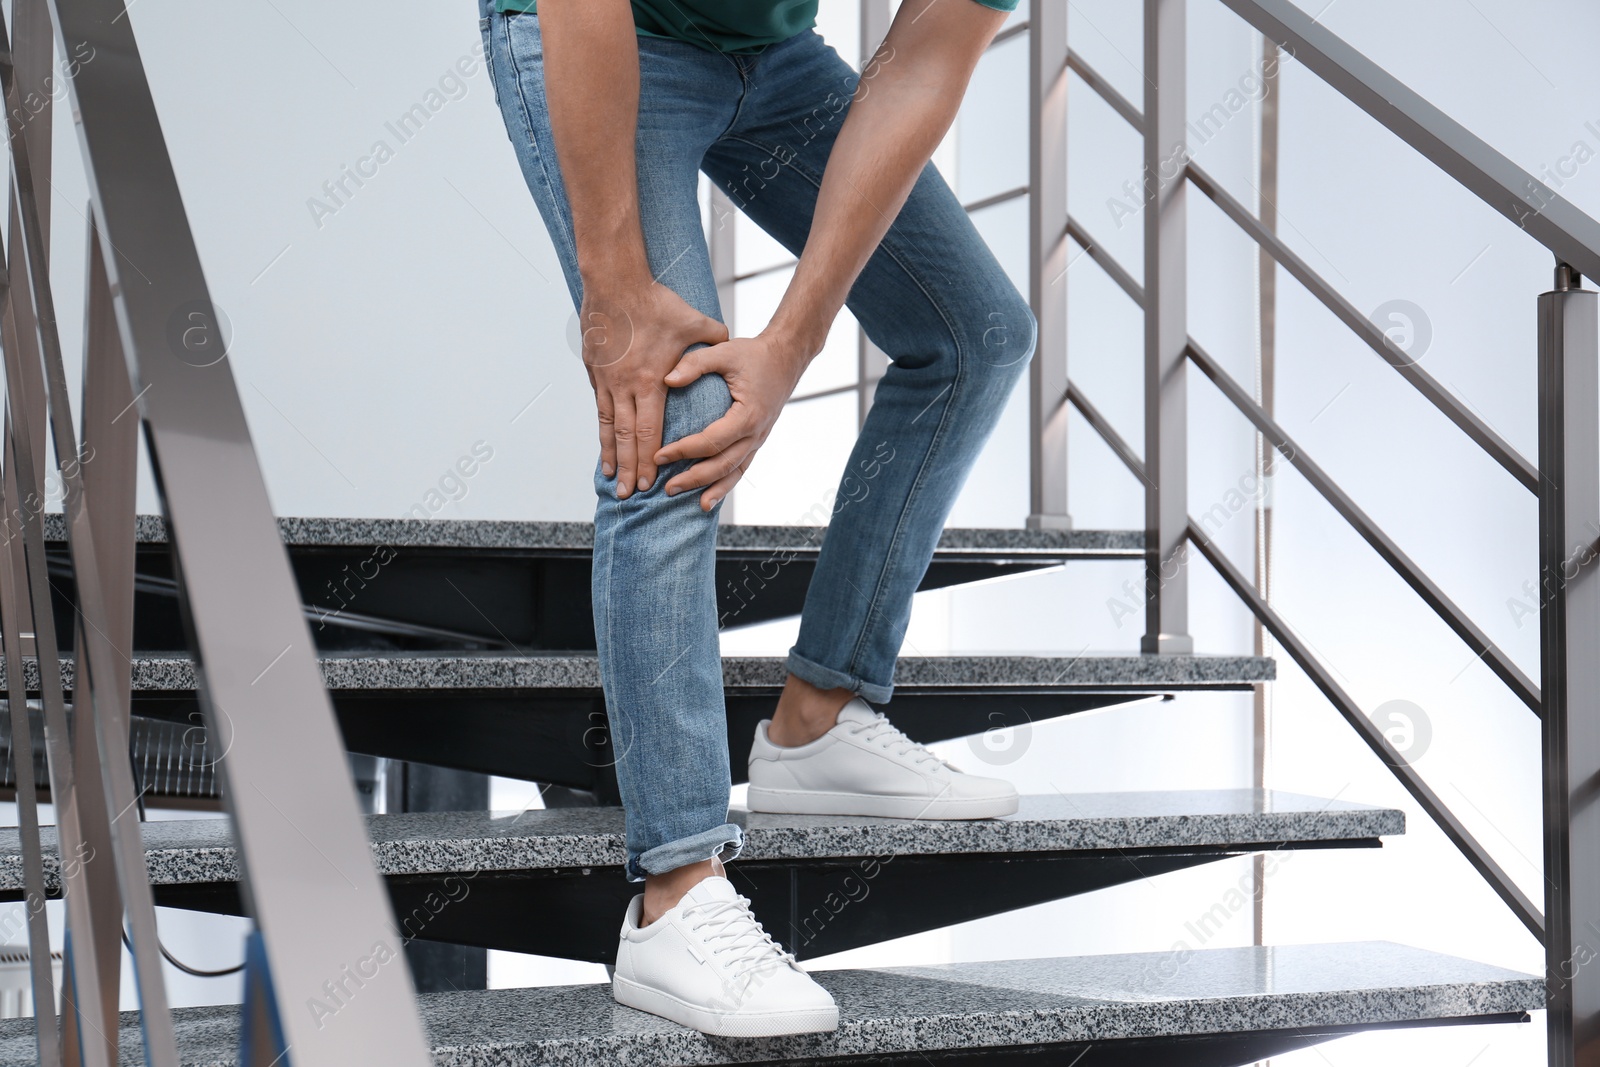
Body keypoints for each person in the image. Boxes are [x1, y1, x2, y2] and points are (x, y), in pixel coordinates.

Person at [480, 0, 1034, 1037]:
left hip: (771, 56)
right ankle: (673, 894)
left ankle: (818, 716)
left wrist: (792, 339)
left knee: (975, 333)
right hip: (608, 31)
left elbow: (923, 57)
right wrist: (614, 294)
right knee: (671, 403)